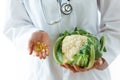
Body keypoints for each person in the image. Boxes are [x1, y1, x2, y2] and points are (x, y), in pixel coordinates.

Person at [4, 0, 120, 80]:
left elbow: (116, 22)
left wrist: (98, 55)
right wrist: (31, 34)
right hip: (44, 71)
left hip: (90, 75)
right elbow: (14, 23)